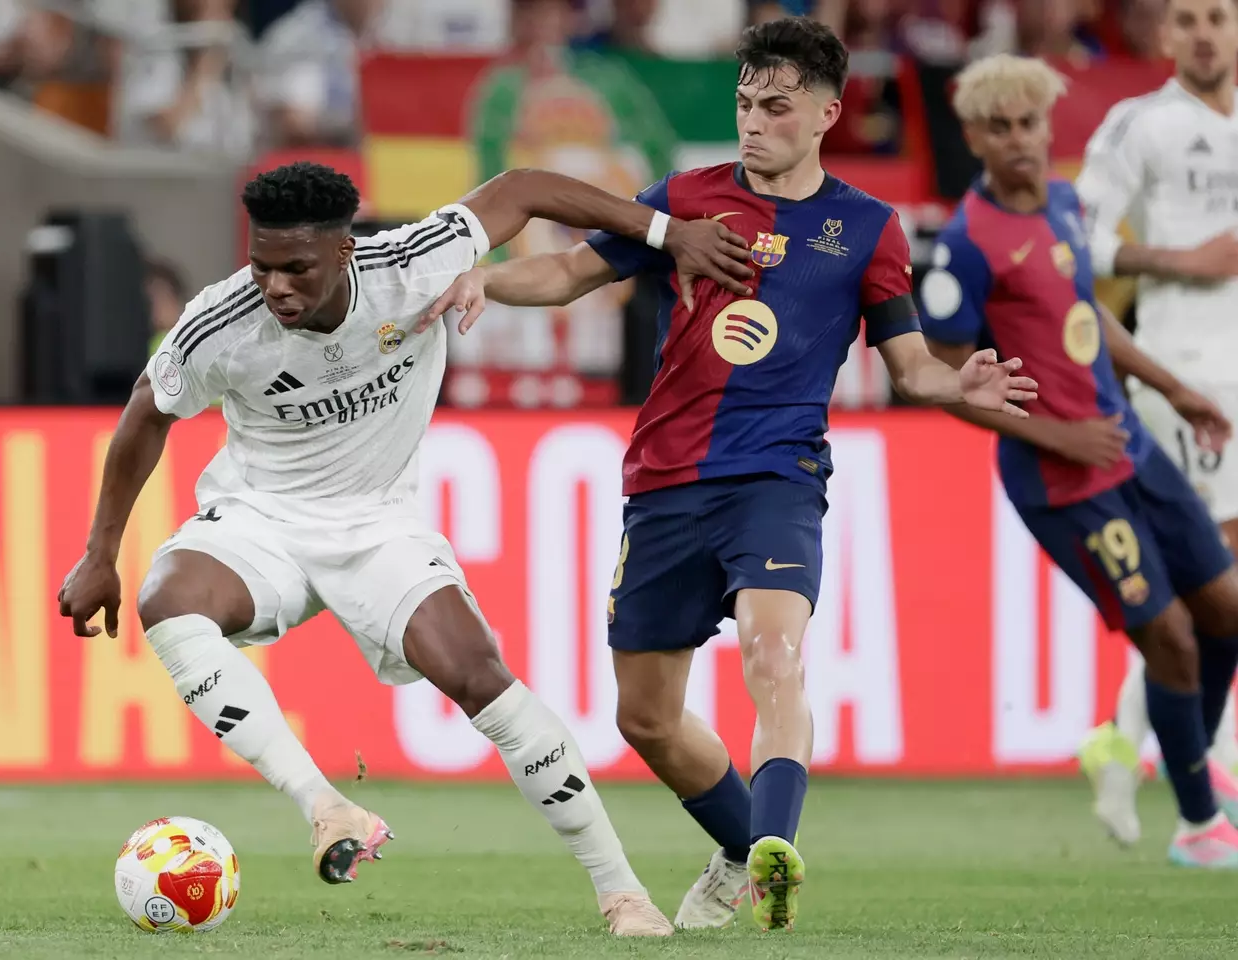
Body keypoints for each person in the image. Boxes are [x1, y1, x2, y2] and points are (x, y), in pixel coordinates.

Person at [417, 17, 1038, 931]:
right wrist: (482, 278)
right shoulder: (684, 203)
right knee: (646, 718)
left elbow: (910, 369)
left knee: (772, 654)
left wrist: (960, 382)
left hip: (777, 478)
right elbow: (568, 272)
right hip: (664, 482)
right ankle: (746, 849)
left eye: (776, 107)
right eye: (745, 103)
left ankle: (777, 845)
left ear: (827, 114)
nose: (753, 121)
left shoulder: (867, 229)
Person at [56, 161, 754, 936]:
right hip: (261, 519)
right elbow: (147, 410)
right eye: (262, 266)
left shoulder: (414, 263)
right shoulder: (220, 323)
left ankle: (622, 893)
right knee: (169, 599)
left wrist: (666, 232)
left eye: (297, 268)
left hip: (379, 526)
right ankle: (326, 807)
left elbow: (524, 189)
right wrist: (100, 554)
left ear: (345, 251)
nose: (276, 286)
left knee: (480, 676)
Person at [917, 52, 1238, 868]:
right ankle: (1199, 824)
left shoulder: (1065, 203)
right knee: (1170, 637)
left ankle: (1167, 761)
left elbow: (1086, 312)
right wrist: (1061, 436)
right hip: (1061, 479)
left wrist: (1176, 389)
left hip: (1126, 443)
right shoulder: (967, 246)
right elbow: (940, 380)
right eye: (999, 127)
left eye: (1029, 123)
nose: (1018, 139)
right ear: (974, 138)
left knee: (1226, 610)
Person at [1073, 0, 1238, 846]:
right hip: (1186, 375)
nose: (1205, 32)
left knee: (1222, 587)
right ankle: (1201, 773)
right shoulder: (1141, 125)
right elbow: (1076, 237)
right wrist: (1178, 259)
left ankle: (1124, 737)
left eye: (1219, 16)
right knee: (1217, 580)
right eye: (1188, 18)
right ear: (1165, 35)